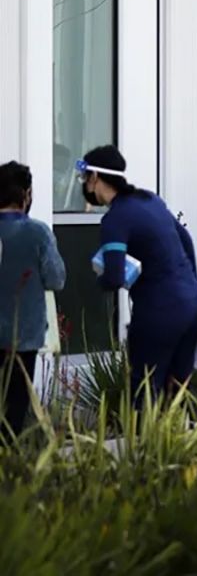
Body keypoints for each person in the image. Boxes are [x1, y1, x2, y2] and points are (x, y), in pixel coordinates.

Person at [81, 146, 197, 398]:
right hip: (193, 304)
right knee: (180, 389)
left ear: (94, 177)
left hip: (159, 311)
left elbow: (114, 277)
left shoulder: (115, 219)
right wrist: (188, 283)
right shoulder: (151, 200)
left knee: (144, 389)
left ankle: (143, 426)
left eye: (84, 178)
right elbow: (186, 241)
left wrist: (100, 278)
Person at [0, 162, 66, 439]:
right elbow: (56, 279)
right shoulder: (38, 233)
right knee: (14, 410)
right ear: (26, 194)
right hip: (24, 337)